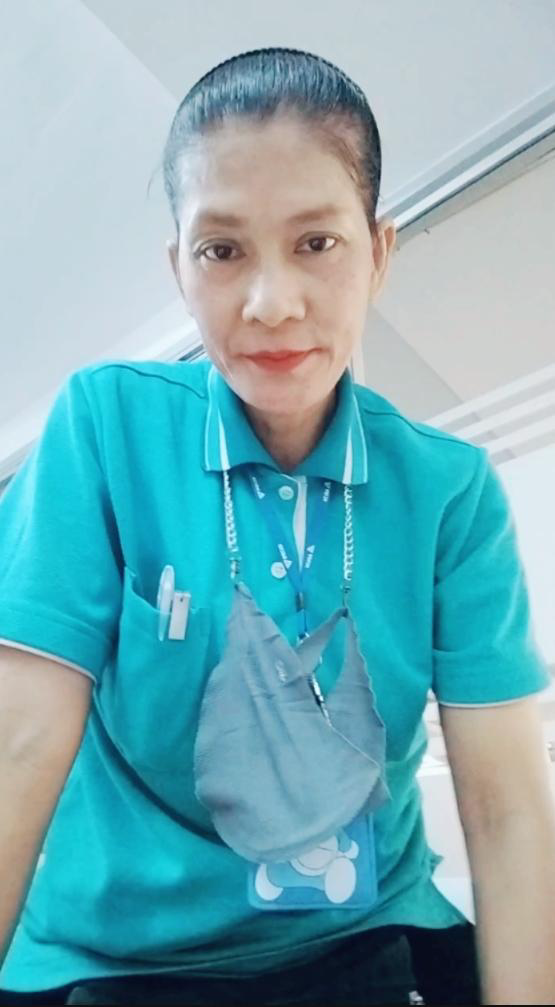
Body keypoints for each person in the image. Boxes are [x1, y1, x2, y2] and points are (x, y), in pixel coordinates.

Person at [0, 46, 554, 1007]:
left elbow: (505, 805)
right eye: (221, 251)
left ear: (378, 253)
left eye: (316, 243)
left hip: (362, 935)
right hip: (121, 958)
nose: (271, 303)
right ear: (178, 268)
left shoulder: (447, 490)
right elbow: (19, 743)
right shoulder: (107, 427)